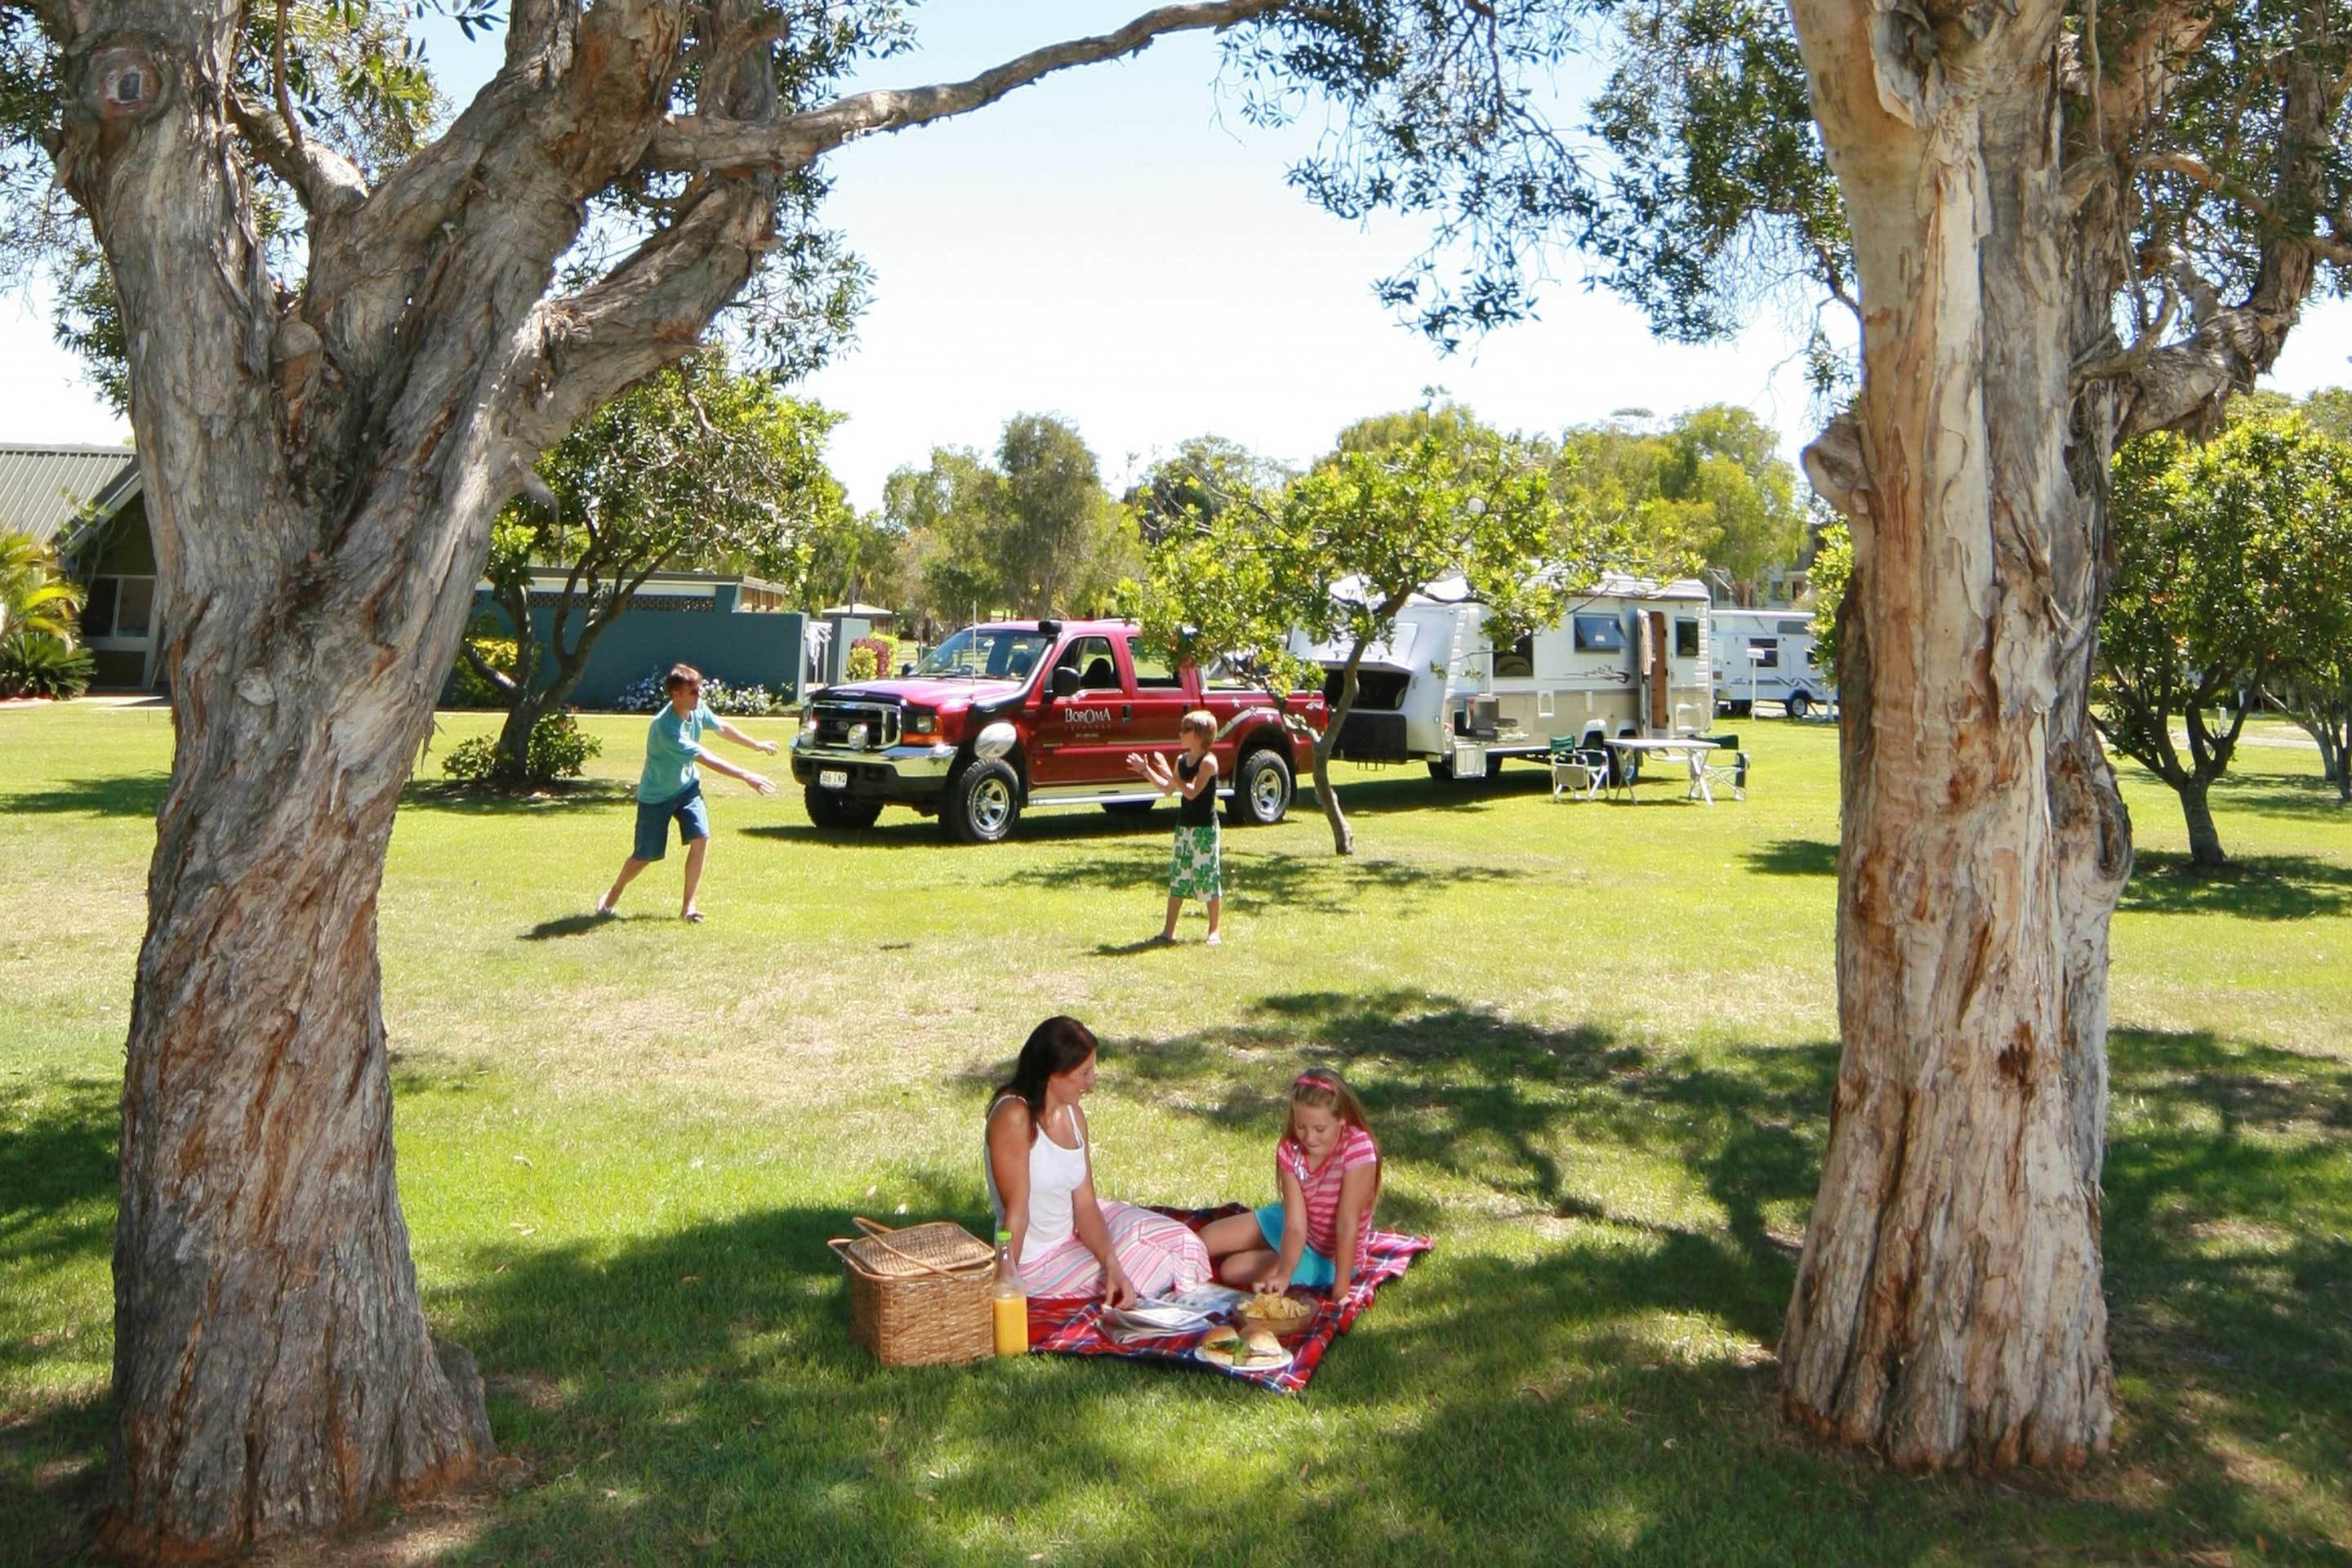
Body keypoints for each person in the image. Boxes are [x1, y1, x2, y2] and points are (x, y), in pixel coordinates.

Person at [984, 1016, 1212, 1303]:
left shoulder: (1073, 1116)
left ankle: (1140, 1274)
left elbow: (1085, 1203)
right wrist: (1005, 1285)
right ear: (1054, 1073)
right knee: (1160, 1266)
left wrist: (1111, 1261)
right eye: (1084, 1073)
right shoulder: (1014, 1116)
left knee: (1185, 1243)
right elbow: (1018, 1211)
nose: (1091, 1082)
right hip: (1037, 1261)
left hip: (1077, 1228)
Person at [598, 663, 777, 922]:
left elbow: (721, 726)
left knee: (701, 837)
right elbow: (706, 757)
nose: (699, 696)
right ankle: (613, 894)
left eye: (699, 689)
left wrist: (756, 745)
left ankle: (688, 907)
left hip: (687, 789)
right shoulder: (665, 728)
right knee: (644, 856)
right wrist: (746, 775)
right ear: (676, 695)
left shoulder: (696, 708)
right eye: (693, 691)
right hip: (656, 796)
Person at [1200, 1067, 1382, 1294]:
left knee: (1232, 1269)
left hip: (1330, 1255)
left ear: (1342, 1119)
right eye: (1301, 1126)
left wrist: (1341, 1291)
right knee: (1205, 1239)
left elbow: (1347, 1223)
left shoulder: (1357, 1148)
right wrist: (1285, 1274)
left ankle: (1279, 1254)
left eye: (1320, 1129)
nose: (1309, 1138)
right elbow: (1295, 1224)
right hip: (1297, 1224)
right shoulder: (1290, 1149)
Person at [1125, 710, 1223, 946]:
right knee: (1178, 878)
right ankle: (1169, 932)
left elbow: (1191, 793)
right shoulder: (1182, 760)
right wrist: (1146, 770)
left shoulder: (1209, 762)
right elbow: (1168, 790)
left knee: (1207, 877)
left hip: (1204, 830)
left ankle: (1214, 931)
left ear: (1199, 735)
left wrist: (1170, 774)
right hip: (1184, 827)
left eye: (1185, 730)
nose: (1180, 733)